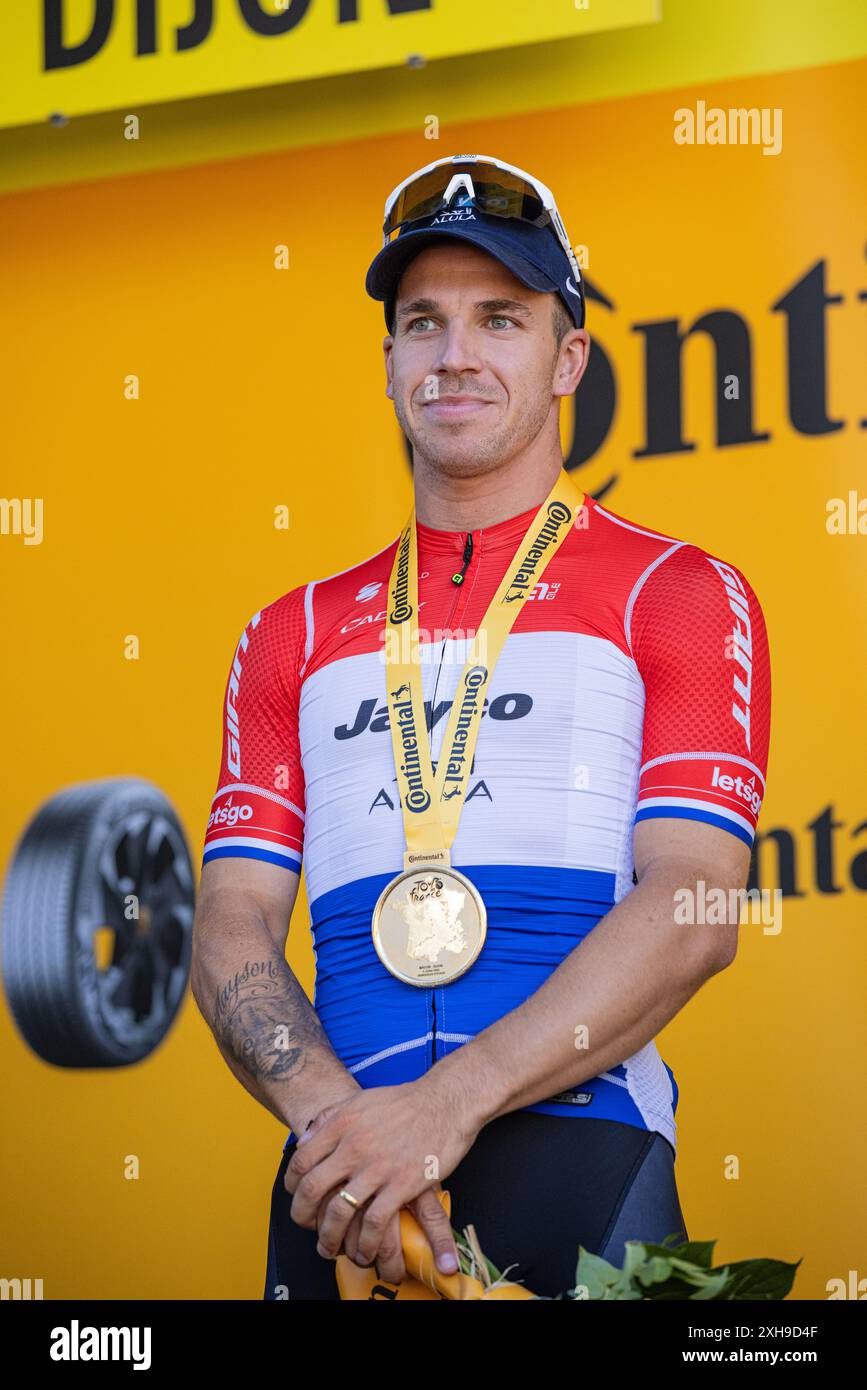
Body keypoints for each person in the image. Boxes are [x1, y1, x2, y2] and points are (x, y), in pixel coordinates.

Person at [191, 155, 771, 1301]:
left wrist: (445, 1108)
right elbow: (232, 920)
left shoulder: (681, 590)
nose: (455, 354)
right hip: (342, 1182)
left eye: (499, 318)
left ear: (568, 359)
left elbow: (698, 905)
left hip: (580, 1158)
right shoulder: (288, 630)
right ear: (392, 358)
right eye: (424, 323)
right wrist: (345, 1128)